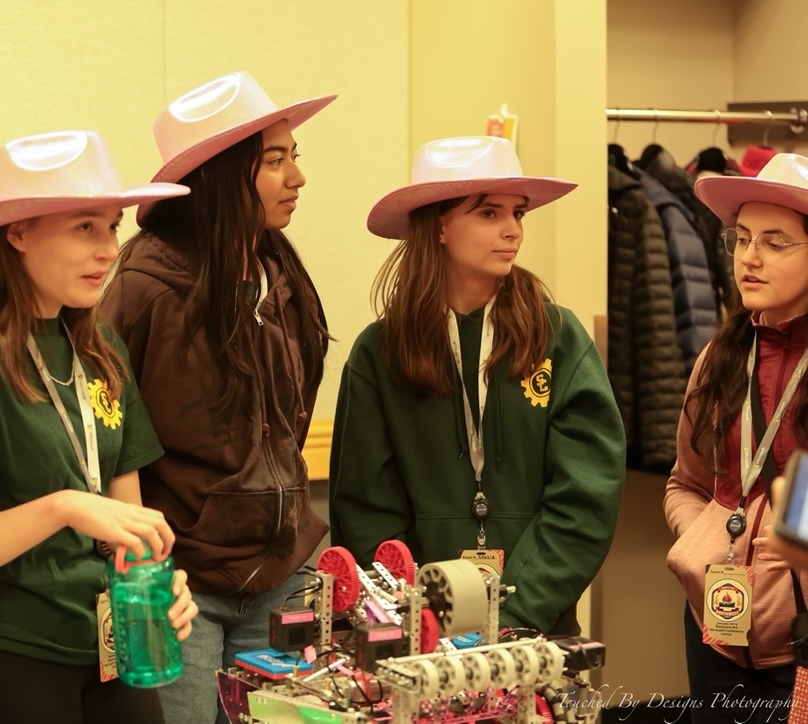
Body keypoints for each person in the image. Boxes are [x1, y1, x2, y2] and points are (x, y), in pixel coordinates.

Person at [0, 129, 197, 723]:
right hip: (3, 645)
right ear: (18, 232)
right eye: (85, 226)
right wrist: (62, 507)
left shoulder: (100, 343)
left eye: (112, 225)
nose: (108, 249)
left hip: (109, 642)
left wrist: (160, 587)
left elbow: (127, 524)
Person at [101, 71, 335, 724]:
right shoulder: (144, 289)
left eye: (295, 157)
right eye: (275, 160)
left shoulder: (282, 275)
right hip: (179, 589)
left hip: (280, 575)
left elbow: (290, 423)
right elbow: (111, 442)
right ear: (221, 175)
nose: (297, 178)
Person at [329, 136, 625, 637]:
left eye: (518, 213)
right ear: (438, 224)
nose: (513, 230)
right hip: (419, 639)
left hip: (536, 628)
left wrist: (516, 613)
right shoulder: (378, 352)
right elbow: (365, 512)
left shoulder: (559, 336)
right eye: (489, 213)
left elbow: (586, 495)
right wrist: (416, 617)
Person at [665, 152, 808, 722]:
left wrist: (795, 532)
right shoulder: (718, 359)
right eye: (743, 239)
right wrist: (707, 536)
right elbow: (684, 482)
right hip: (717, 628)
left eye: (775, 243)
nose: (749, 258)